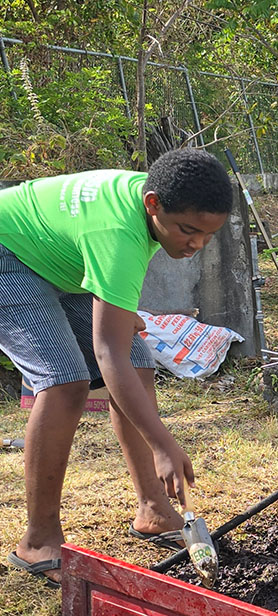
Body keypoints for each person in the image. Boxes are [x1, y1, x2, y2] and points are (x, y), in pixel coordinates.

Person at [0, 148, 234, 586]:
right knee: (66, 380)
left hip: (57, 260)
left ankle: (153, 510)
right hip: (8, 253)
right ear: (153, 205)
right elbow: (108, 354)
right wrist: (164, 444)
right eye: (188, 231)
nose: (196, 244)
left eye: (208, 235)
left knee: (139, 363)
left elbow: (121, 351)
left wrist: (120, 312)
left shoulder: (154, 201)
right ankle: (37, 539)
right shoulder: (119, 230)